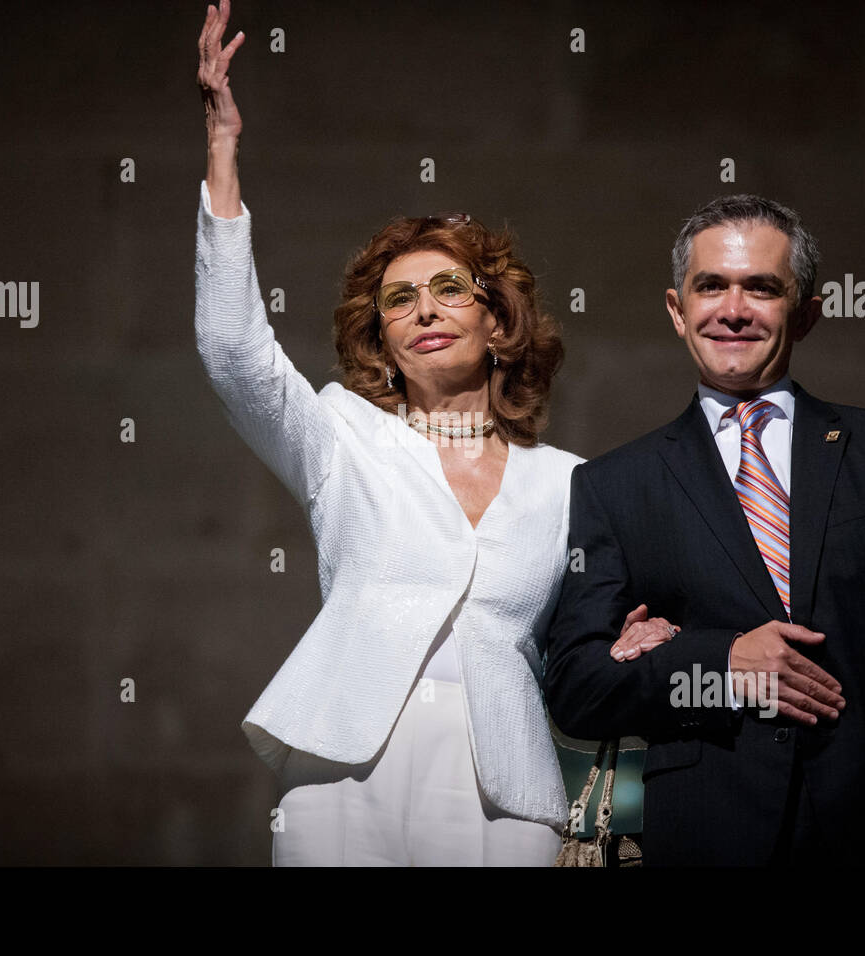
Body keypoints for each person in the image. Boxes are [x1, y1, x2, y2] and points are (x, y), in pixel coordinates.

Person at [194, 2, 674, 865]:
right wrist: (223, 154)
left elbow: (581, 646)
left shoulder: (571, 482)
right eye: (398, 301)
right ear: (380, 341)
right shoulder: (341, 434)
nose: (423, 310)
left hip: (505, 783)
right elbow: (233, 350)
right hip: (345, 764)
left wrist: (626, 643)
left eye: (449, 289)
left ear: (500, 324)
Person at [542, 193, 865, 866]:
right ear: (677, 311)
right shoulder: (614, 484)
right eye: (710, 286)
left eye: (762, 288)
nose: (733, 309)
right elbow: (576, 683)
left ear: (806, 314)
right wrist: (720, 663)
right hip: (715, 832)